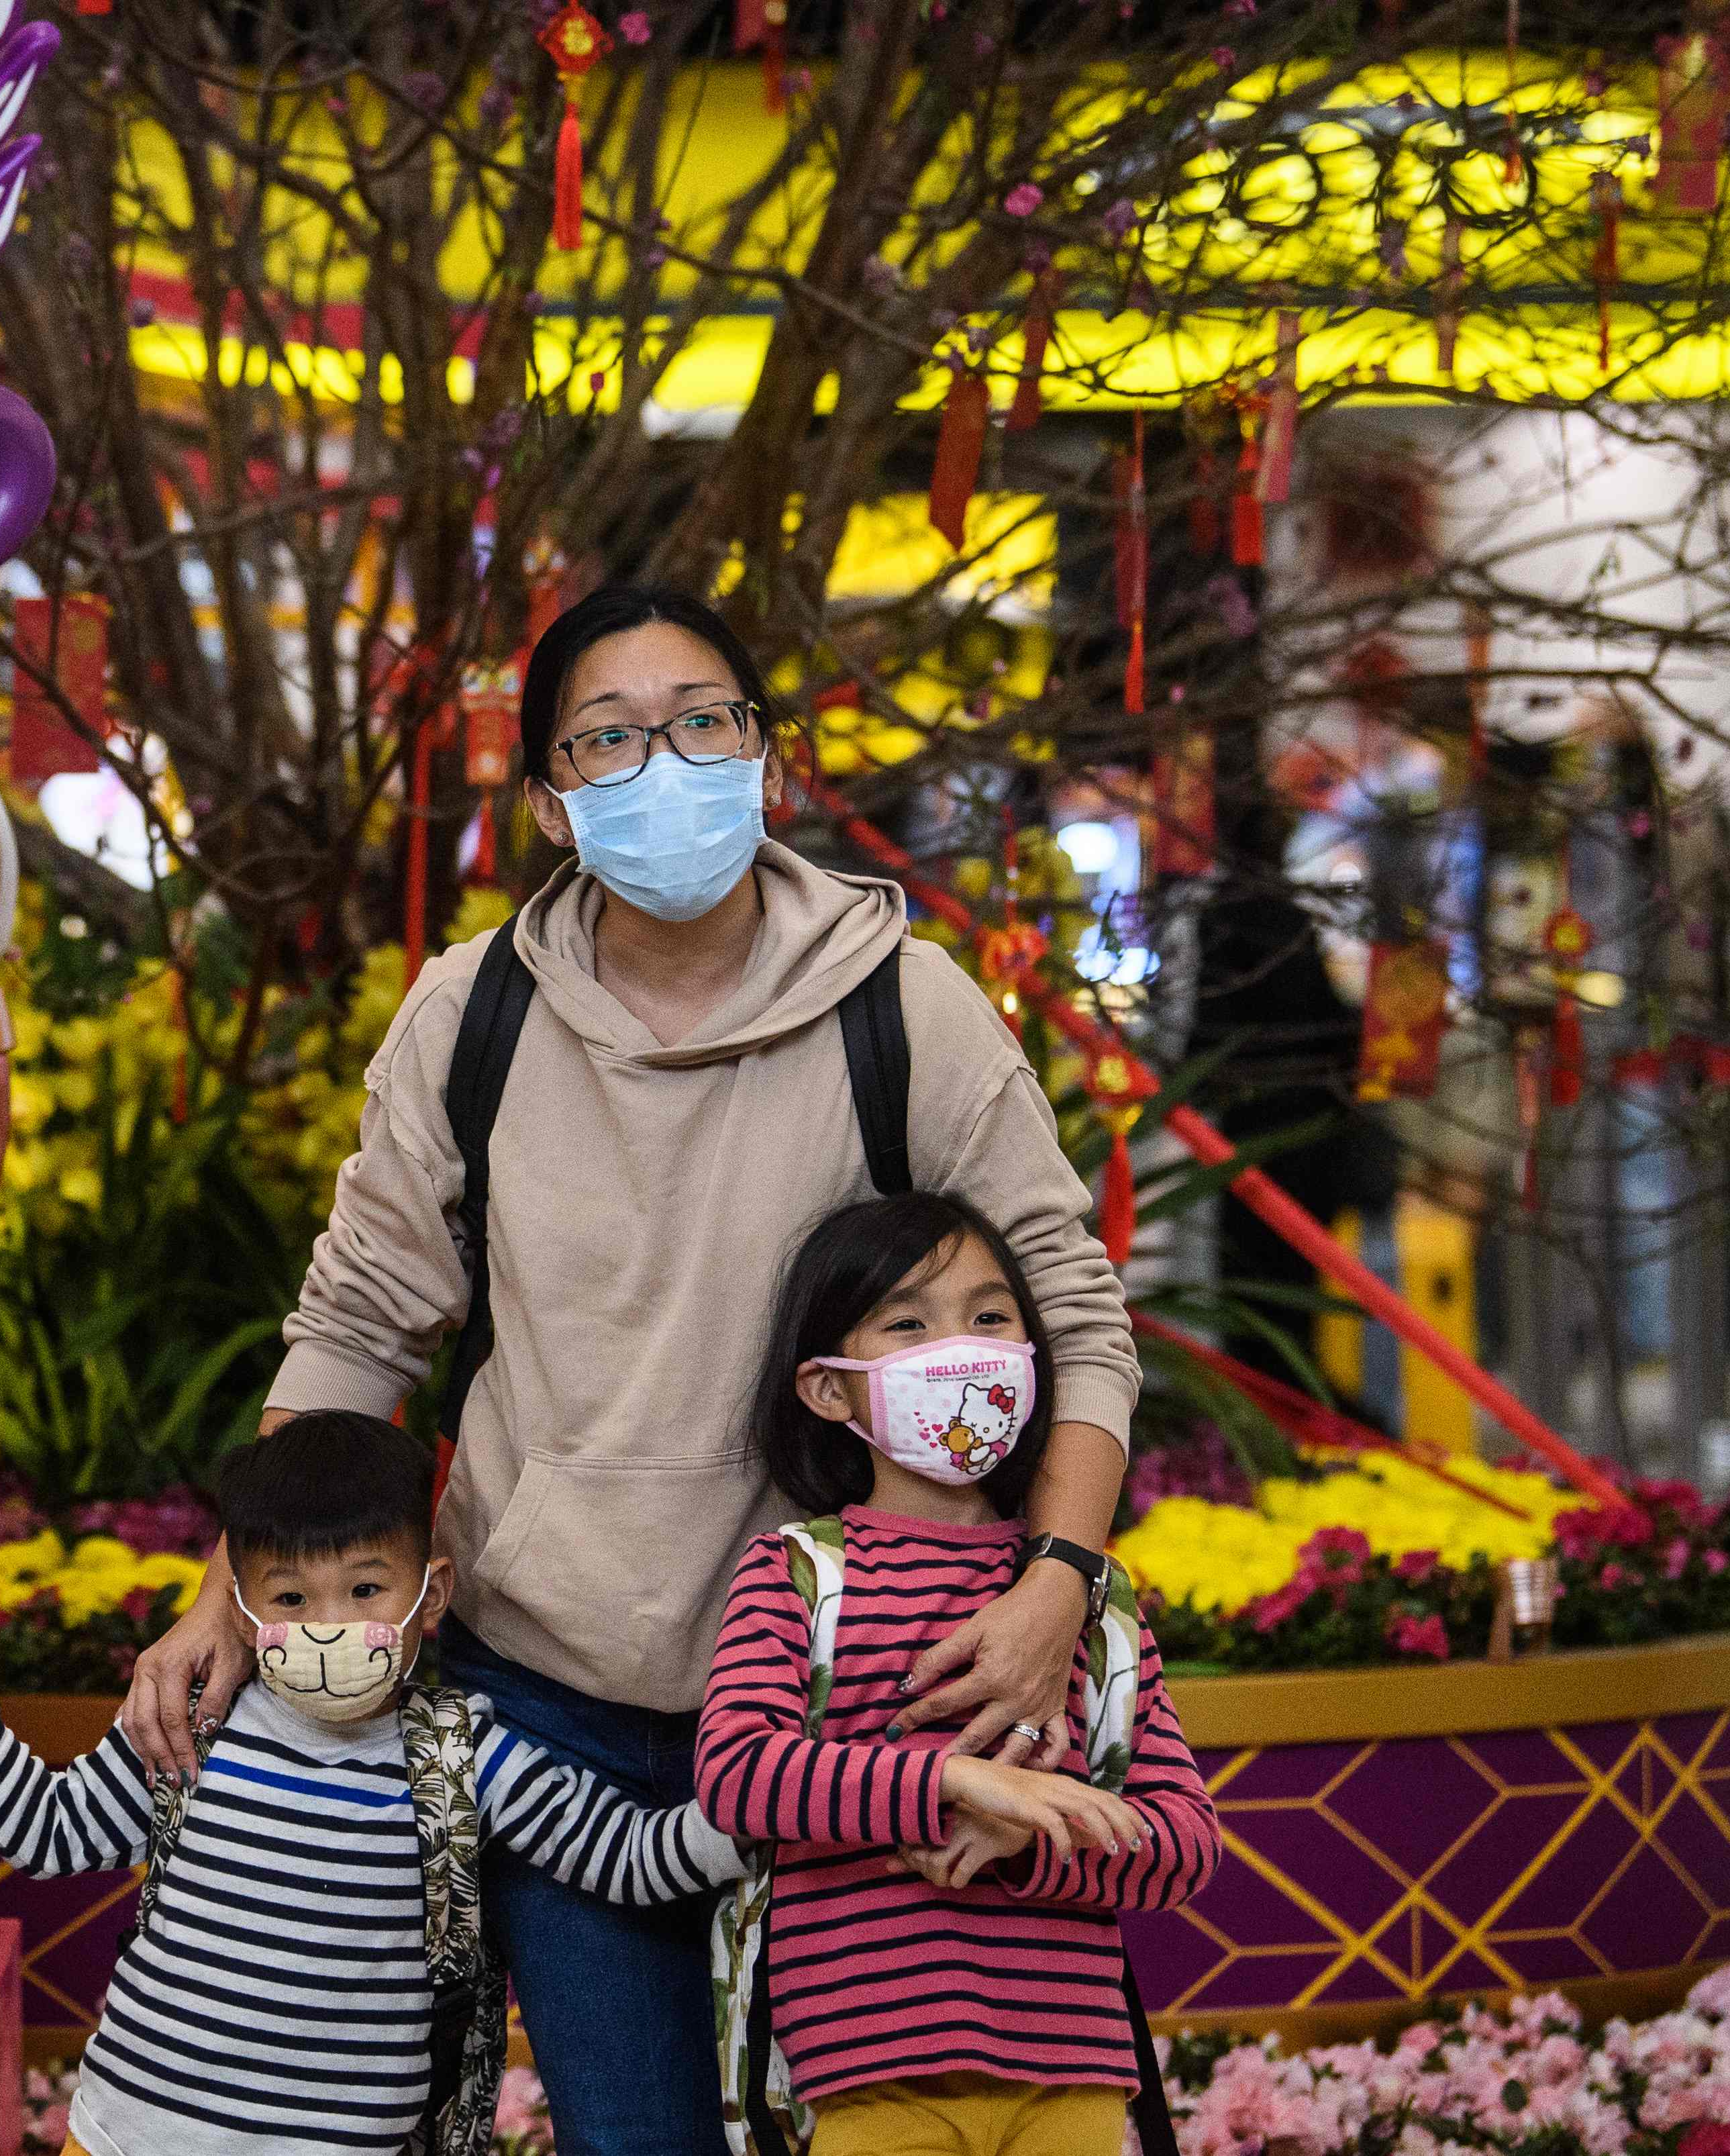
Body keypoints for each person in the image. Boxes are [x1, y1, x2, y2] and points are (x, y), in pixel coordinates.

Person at [120, 584, 1143, 2153]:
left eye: (704, 722)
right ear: (547, 797)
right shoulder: (475, 1017)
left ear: (771, 762)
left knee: (895, 2130)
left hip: (850, 1702)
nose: (664, 762)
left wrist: (1058, 1580)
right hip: (555, 1703)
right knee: (637, 2137)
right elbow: (357, 1325)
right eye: (609, 738)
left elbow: (1071, 1307)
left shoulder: (903, 1004)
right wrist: (223, 1591)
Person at [0, 1412, 746, 2156]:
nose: (328, 1627)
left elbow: (630, 1860)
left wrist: (757, 1798)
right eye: (289, 1598)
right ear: (241, 1606)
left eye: (366, 1588)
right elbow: (46, 1830)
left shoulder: (465, 1756)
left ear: (429, 1593)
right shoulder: (197, 1722)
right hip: (129, 2136)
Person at [697, 1192, 1217, 2156]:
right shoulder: (798, 1575)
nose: (960, 1350)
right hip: (865, 2080)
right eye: (907, 1324)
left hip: (1072, 2074)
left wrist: (1023, 1837)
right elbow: (736, 1775)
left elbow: (1181, 1844)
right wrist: (954, 1781)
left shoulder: (1085, 1604)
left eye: (989, 1317)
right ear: (827, 1389)